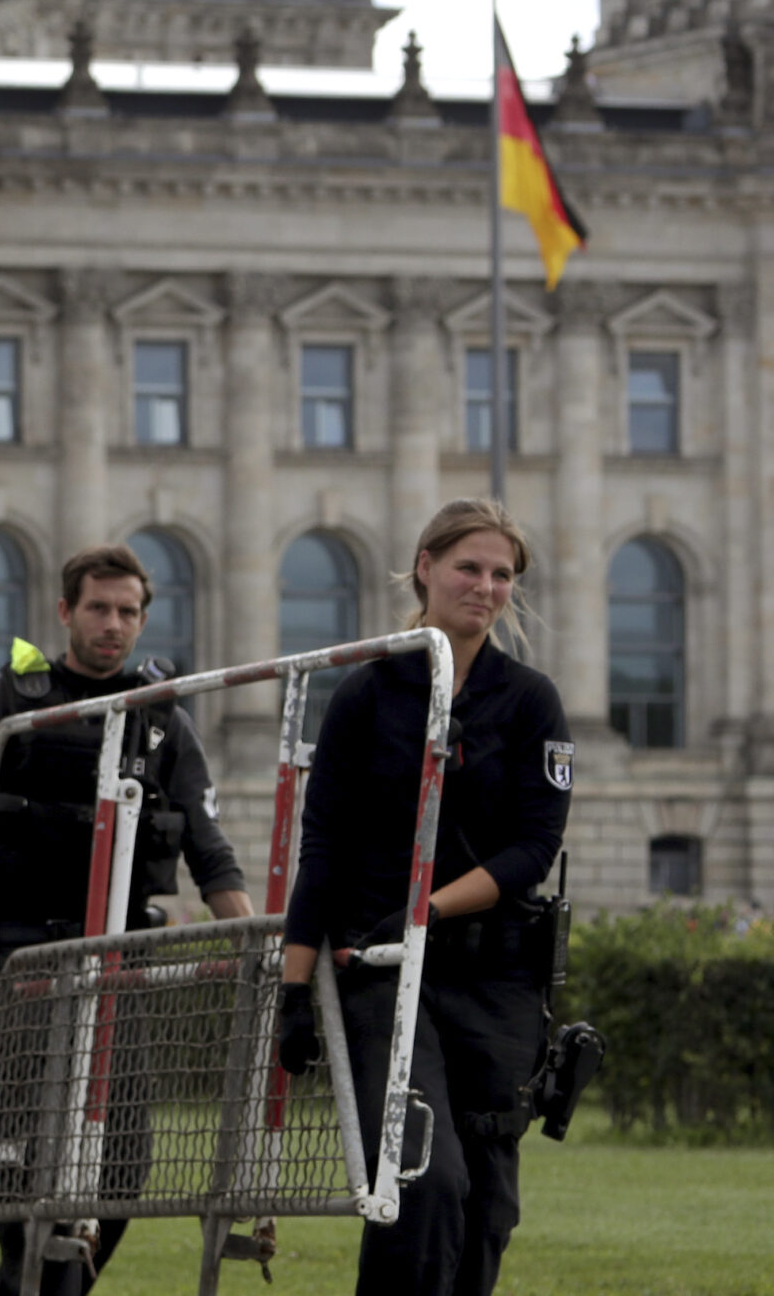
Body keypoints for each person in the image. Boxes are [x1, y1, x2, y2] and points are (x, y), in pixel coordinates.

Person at [0, 542, 254, 1296]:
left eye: (128, 611)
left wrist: (261, 947)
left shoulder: (163, 717)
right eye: (98, 608)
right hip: (23, 958)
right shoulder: (7, 700)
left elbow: (210, 851)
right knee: (22, 1159)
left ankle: (44, 1289)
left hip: (121, 966)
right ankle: (20, 1281)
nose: (113, 624)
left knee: (124, 1164)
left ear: (143, 619)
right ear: (64, 611)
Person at [278, 499, 570, 1296]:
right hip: (381, 970)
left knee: (486, 1209)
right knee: (420, 1178)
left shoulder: (531, 699)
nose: (485, 585)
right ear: (425, 567)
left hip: (495, 980)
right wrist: (293, 989)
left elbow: (533, 850)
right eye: (468, 567)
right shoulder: (368, 692)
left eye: (502, 573)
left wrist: (431, 906)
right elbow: (323, 850)